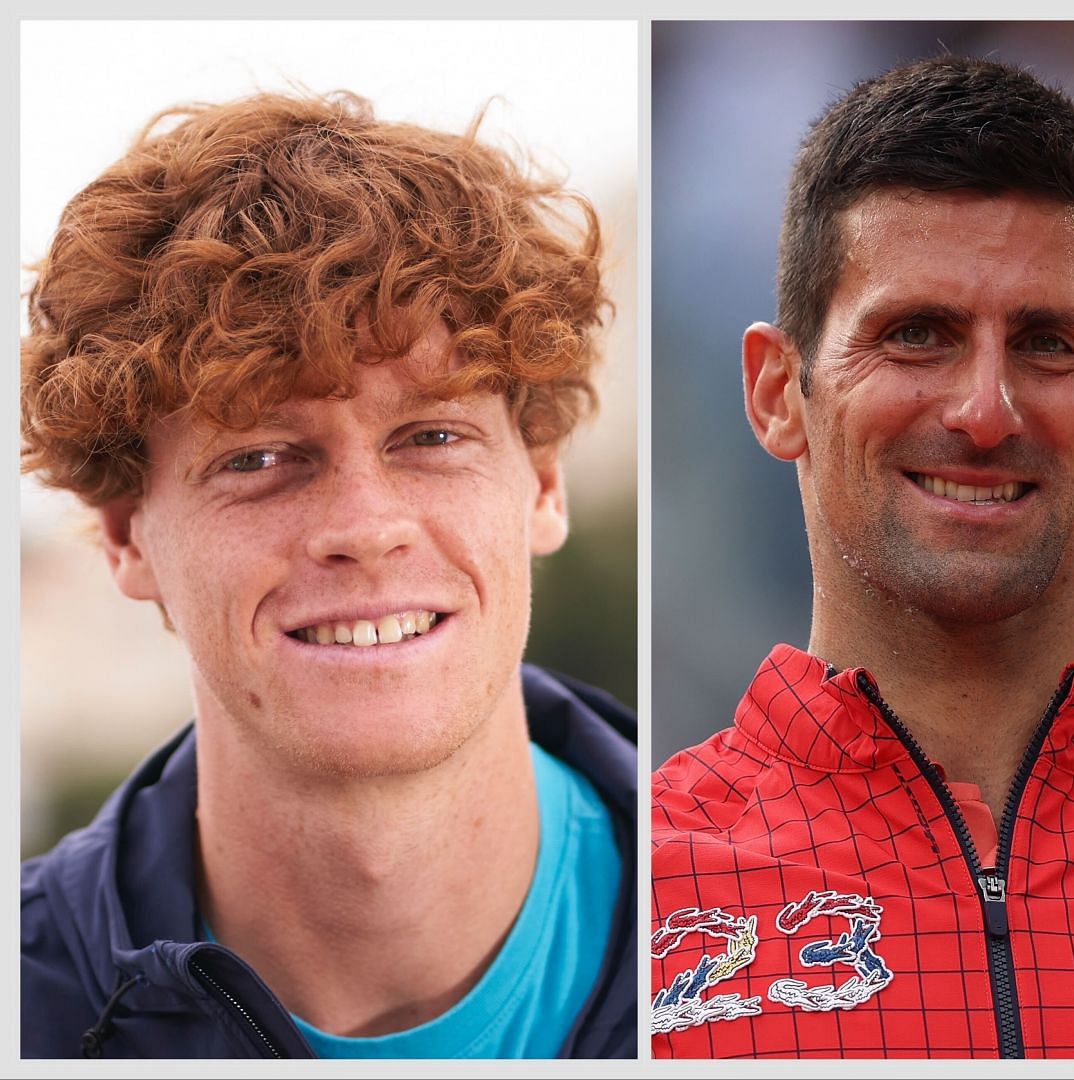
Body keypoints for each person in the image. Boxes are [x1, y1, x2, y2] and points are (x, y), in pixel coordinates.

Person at [649, 56, 1074, 1059]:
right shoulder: (638, 902)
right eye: (917, 335)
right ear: (775, 391)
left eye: (1047, 344)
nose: (986, 412)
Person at [19, 91, 636, 1058]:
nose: (365, 527)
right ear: (126, 538)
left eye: (432, 436)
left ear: (543, 484)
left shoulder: (786, 929)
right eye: (259, 458)